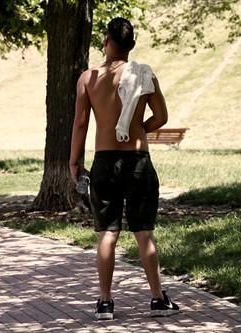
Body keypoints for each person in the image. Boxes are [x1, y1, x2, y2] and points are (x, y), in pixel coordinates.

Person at [69, 17, 179, 320]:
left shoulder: (88, 78)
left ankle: (105, 302)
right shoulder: (144, 75)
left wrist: (74, 162)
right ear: (131, 45)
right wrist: (138, 130)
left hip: (104, 161)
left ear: (106, 41)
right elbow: (161, 116)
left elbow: (80, 123)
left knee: (108, 233)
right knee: (144, 232)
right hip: (137, 161)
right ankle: (158, 299)